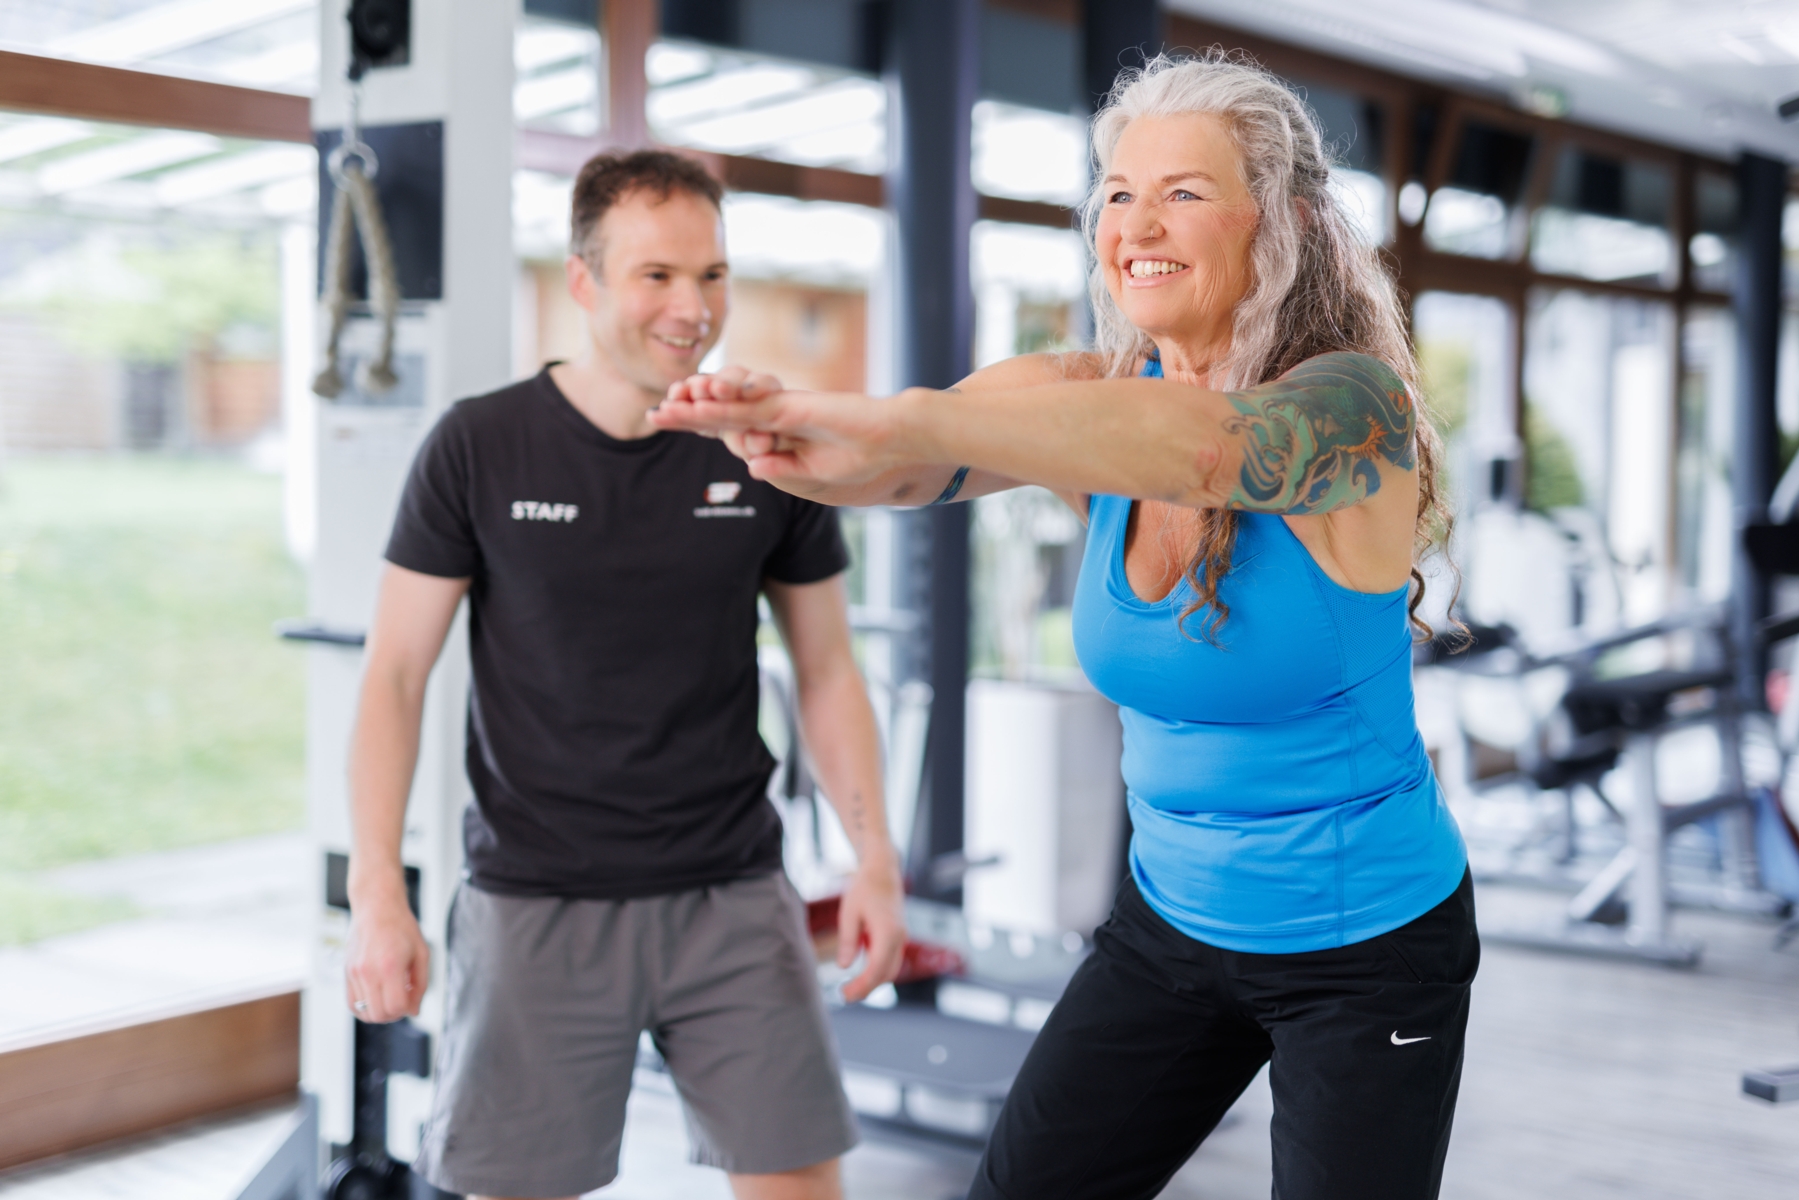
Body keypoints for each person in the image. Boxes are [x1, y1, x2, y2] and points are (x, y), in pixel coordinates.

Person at [651, 53, 1477, 1200]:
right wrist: (780, 430)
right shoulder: (1097, 395)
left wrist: (887, 422)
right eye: (1117, 192)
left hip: (1365, 950)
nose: (1136, 222)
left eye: (1183, 192)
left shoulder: (1352, 412)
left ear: (1281, 221)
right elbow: (907, 464)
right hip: (1172, 923)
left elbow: (1204, 447)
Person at [341, 150, 905, 1200]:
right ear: (585, 280)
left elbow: (826, 670)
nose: (692, 307)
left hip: (732, 895)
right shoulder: (479, 445)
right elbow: (395, 677)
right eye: (657, 276)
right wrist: (377, 890)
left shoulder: (764, 447)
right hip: (535, 900)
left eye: (712, 275)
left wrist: (874, 856)